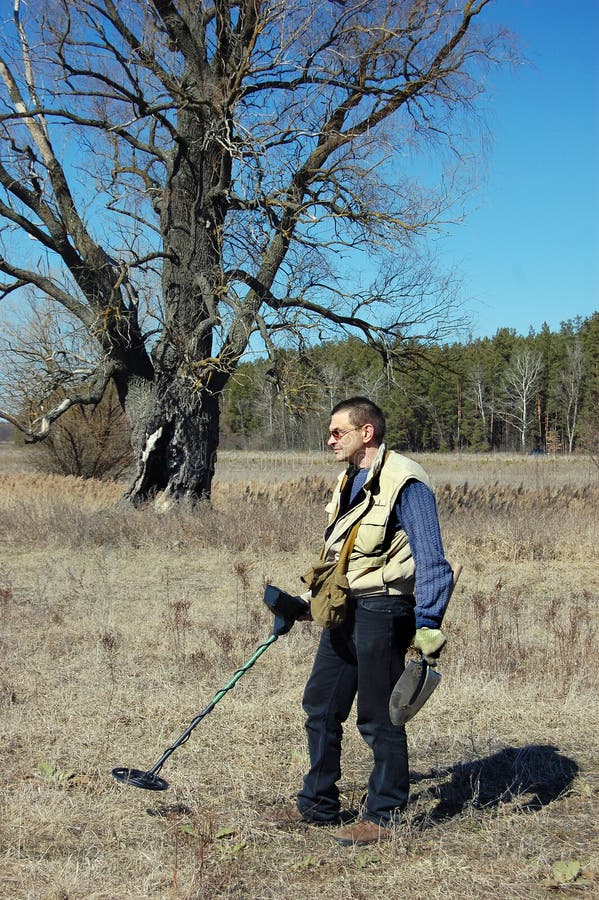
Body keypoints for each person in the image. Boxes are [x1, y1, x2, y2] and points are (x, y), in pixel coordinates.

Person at [277, 397, 454, 846]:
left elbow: (433, 560)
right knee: (320, 706)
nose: (330, 439)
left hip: (384, 609)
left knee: (378, 719)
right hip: (344, 608)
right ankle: (317, 802)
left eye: (338, 432)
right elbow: (342, 559)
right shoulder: (349, 481)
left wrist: (428, 622)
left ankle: (385, 813)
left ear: (366, 432)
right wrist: (304, 600)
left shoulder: (406, 482)